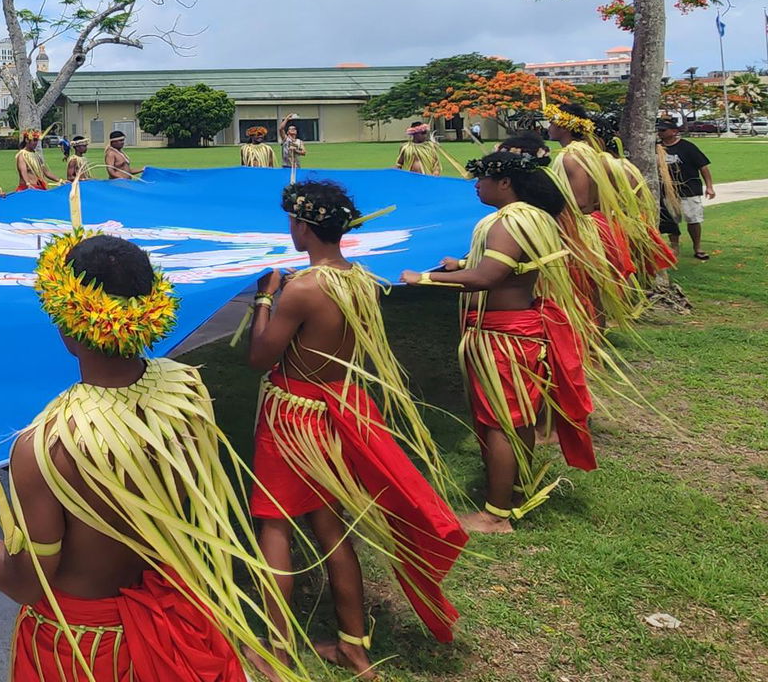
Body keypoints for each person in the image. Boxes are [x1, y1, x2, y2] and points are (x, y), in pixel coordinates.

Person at [0, 229, 304, 682]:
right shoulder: (187, 391)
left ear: (66, 323)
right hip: (176, 618)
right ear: (149, 309)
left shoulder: (49, 445)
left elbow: (27, 583)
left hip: (86, 649)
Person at [247, 181, 467, 667]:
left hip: (294, 414)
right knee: (332, 526)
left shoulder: (303, 288)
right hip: (338, 409)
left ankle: (276, 648)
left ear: (303, 227)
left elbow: (261, 357)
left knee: (276, 526)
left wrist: (265, 299)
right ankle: (353, 644)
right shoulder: (362, 280)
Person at [399, 145, 598, 533]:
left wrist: (423, 279)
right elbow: (504, 268)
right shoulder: (531, 218)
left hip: (504, 335)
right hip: (519, 329)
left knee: (500, 423)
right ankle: (517, 488)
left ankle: (495, 515)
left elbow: (488, 279)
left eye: (483, 177)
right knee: (516, 417)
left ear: (504, 182)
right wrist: (464, 265)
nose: (476, 184)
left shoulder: (507, 223)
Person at [543, 103, 645, 327]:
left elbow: (581, 202)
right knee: (589, 285)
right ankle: (593, 334)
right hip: (587, 225)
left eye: (551, 122)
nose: (548, 127)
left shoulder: (572, 157)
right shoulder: (588, 152)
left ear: (564, 125)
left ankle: (592, 337)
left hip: (579, 228)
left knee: (584, 285)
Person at [657, 119, 716, 260]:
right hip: (668, 190)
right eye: (659, 130)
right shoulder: (656, 148)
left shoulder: (687, 147)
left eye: (663, 130)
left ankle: (697, 247)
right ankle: (674, 247)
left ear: (674, 131)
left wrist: (709, 187)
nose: (660, 133)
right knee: (672, 220)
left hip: (689, 189)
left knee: (693, 219)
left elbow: (703, 167)